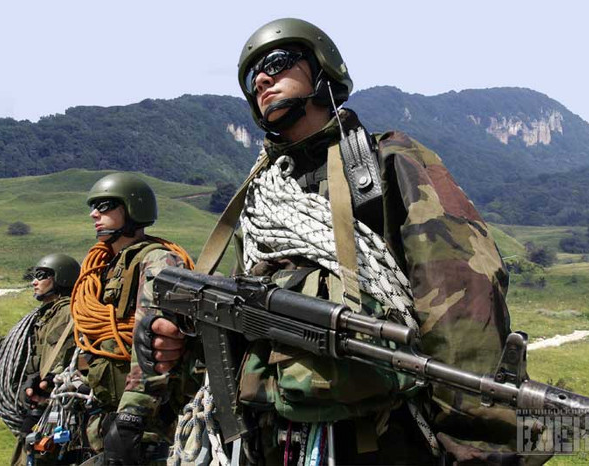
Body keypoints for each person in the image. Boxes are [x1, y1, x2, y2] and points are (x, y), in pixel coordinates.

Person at [140, 18, 548, 465]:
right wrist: (183, 341)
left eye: (277, 62)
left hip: (381, 438)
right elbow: (247, 321)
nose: (261, 80)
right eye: (252, 76)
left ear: (323, 69)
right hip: (271, 439)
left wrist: (475, 448)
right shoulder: (260, 197)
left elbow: (462, 301)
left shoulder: (383, 163)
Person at [68, 172, 194, 464]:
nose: (94, 214)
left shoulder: (158, 260)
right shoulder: (105, 266)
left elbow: (154, 342)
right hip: (104, 416)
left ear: (133, 208)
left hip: (148, 426)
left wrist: (132, 415)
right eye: (93, 207)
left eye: (105, 206)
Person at [10, 253, 81, 466]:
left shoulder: (67, 314)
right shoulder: (48, 315)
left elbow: (62, 361)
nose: (34, 282)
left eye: (41, 276)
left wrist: (45, 387)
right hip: (42, 403)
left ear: (61, 278)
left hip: (55, 406)